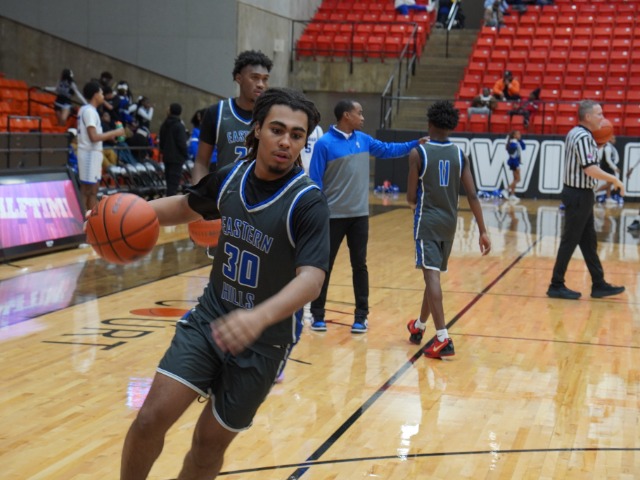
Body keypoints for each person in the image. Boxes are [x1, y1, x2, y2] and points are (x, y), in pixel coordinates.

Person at [119, 87, 329, 480]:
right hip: (211, 319)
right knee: (149, 419)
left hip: (264, 342)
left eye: (296, 135)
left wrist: (258, 317)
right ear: (257, 129)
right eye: (277, 130)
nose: (286, 141)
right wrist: (122, 215)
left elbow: (312, 280)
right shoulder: (231, 177)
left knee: (207, 446)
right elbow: (184, 207)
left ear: (304, 142)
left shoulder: (308, 202)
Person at [308, 99, 428, 334]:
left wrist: (415, 143)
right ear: (346, 115)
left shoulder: (364, 140)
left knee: (359, 265)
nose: (363, 118)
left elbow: (389, 149)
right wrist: (317, 213)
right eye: (359, 113)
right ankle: (317, 314)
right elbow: (314, 181)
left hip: (359, 216)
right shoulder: (324, 144)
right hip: (331, 217)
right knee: (323, 266)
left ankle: (361, 316)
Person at [405, 101, 491, 358]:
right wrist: (483, 231)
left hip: (427, 222)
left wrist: (415, 205)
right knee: (432, 274)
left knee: (431, 277)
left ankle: (443, 337)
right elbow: (472, 195)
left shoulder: (418, 153)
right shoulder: (459, 154)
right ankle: (419, 326)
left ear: (430, 123)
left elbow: (410, 197)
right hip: (449, 224)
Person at [547, 100, 626, 300]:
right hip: (579, 195)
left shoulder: (576, 133)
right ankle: (556, 284)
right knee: (570, 240)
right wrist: (614, 179)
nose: (603, 117)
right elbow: (590, 169)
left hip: (580, 194)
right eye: (599, 114)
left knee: (589, 242)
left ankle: (599, 284)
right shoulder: (583, 137)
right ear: (588, 117)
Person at [194, 50, 273, 182]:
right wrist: (197, 192)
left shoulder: (272, 115)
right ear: (239, 78)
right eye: (255, 77)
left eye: (265, 79)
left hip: (261, 192)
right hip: (226, 190)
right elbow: (201, 162)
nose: (261, 84)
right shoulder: (217, 112)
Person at [77, 81, 125, 211]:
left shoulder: (87, 110)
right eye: (101, 93)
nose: (103, 96)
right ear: (95, 95)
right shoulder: (89, 111)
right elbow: (93, 137)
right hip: (89, 154)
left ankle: (92, 218)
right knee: (87, 191)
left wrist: (110, 135)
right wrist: (114, 132)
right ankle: (83, 219)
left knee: (93, 191)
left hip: (93, 154)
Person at [159, 103, 189, 196]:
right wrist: (185, 154)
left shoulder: (164, 125)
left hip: (167, 157)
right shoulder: (179, 126)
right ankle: (170, 202)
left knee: (169, 183)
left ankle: (167, 200)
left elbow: (162, 141)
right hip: (177, 158)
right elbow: (182, 143)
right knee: (174, 184)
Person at [595, 136, 621, 205]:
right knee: (610, 183)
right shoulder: (607, 147)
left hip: (608, 167)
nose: (614, 140)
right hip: (607, 167)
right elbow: (608, 160)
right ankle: (595, 192)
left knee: (609, 183)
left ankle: (608, 198)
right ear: (609, 139)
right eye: (613, 138)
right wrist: (615, 168)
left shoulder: (610, 147)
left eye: (614, 138)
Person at [505, 130, 525, 202]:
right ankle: (506, 190)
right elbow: (512, 154)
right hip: (514, 162)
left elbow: (523, 147)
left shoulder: (516, 142)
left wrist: (520, 140)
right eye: (518, 134)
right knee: (518, 179)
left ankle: (512, 195)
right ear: (514, 136)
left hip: (515, 162)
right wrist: (516, 164)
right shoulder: (513, 143)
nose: (520, 135)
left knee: (515, 179)